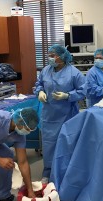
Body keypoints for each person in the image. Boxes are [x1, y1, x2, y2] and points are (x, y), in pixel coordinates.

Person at [34, 44, 86, 182]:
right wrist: (39, 91)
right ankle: (48, 173)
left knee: (66, 144)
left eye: (53, 55)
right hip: (49, 115)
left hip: (67, 115)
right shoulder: (46, 70)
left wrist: (67, 96)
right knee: (49, 145)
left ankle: (66, 173)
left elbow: (83, 91)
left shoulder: (74, 73)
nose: (50, 58)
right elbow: (39, 83)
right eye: (49, 54)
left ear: (62, 57)